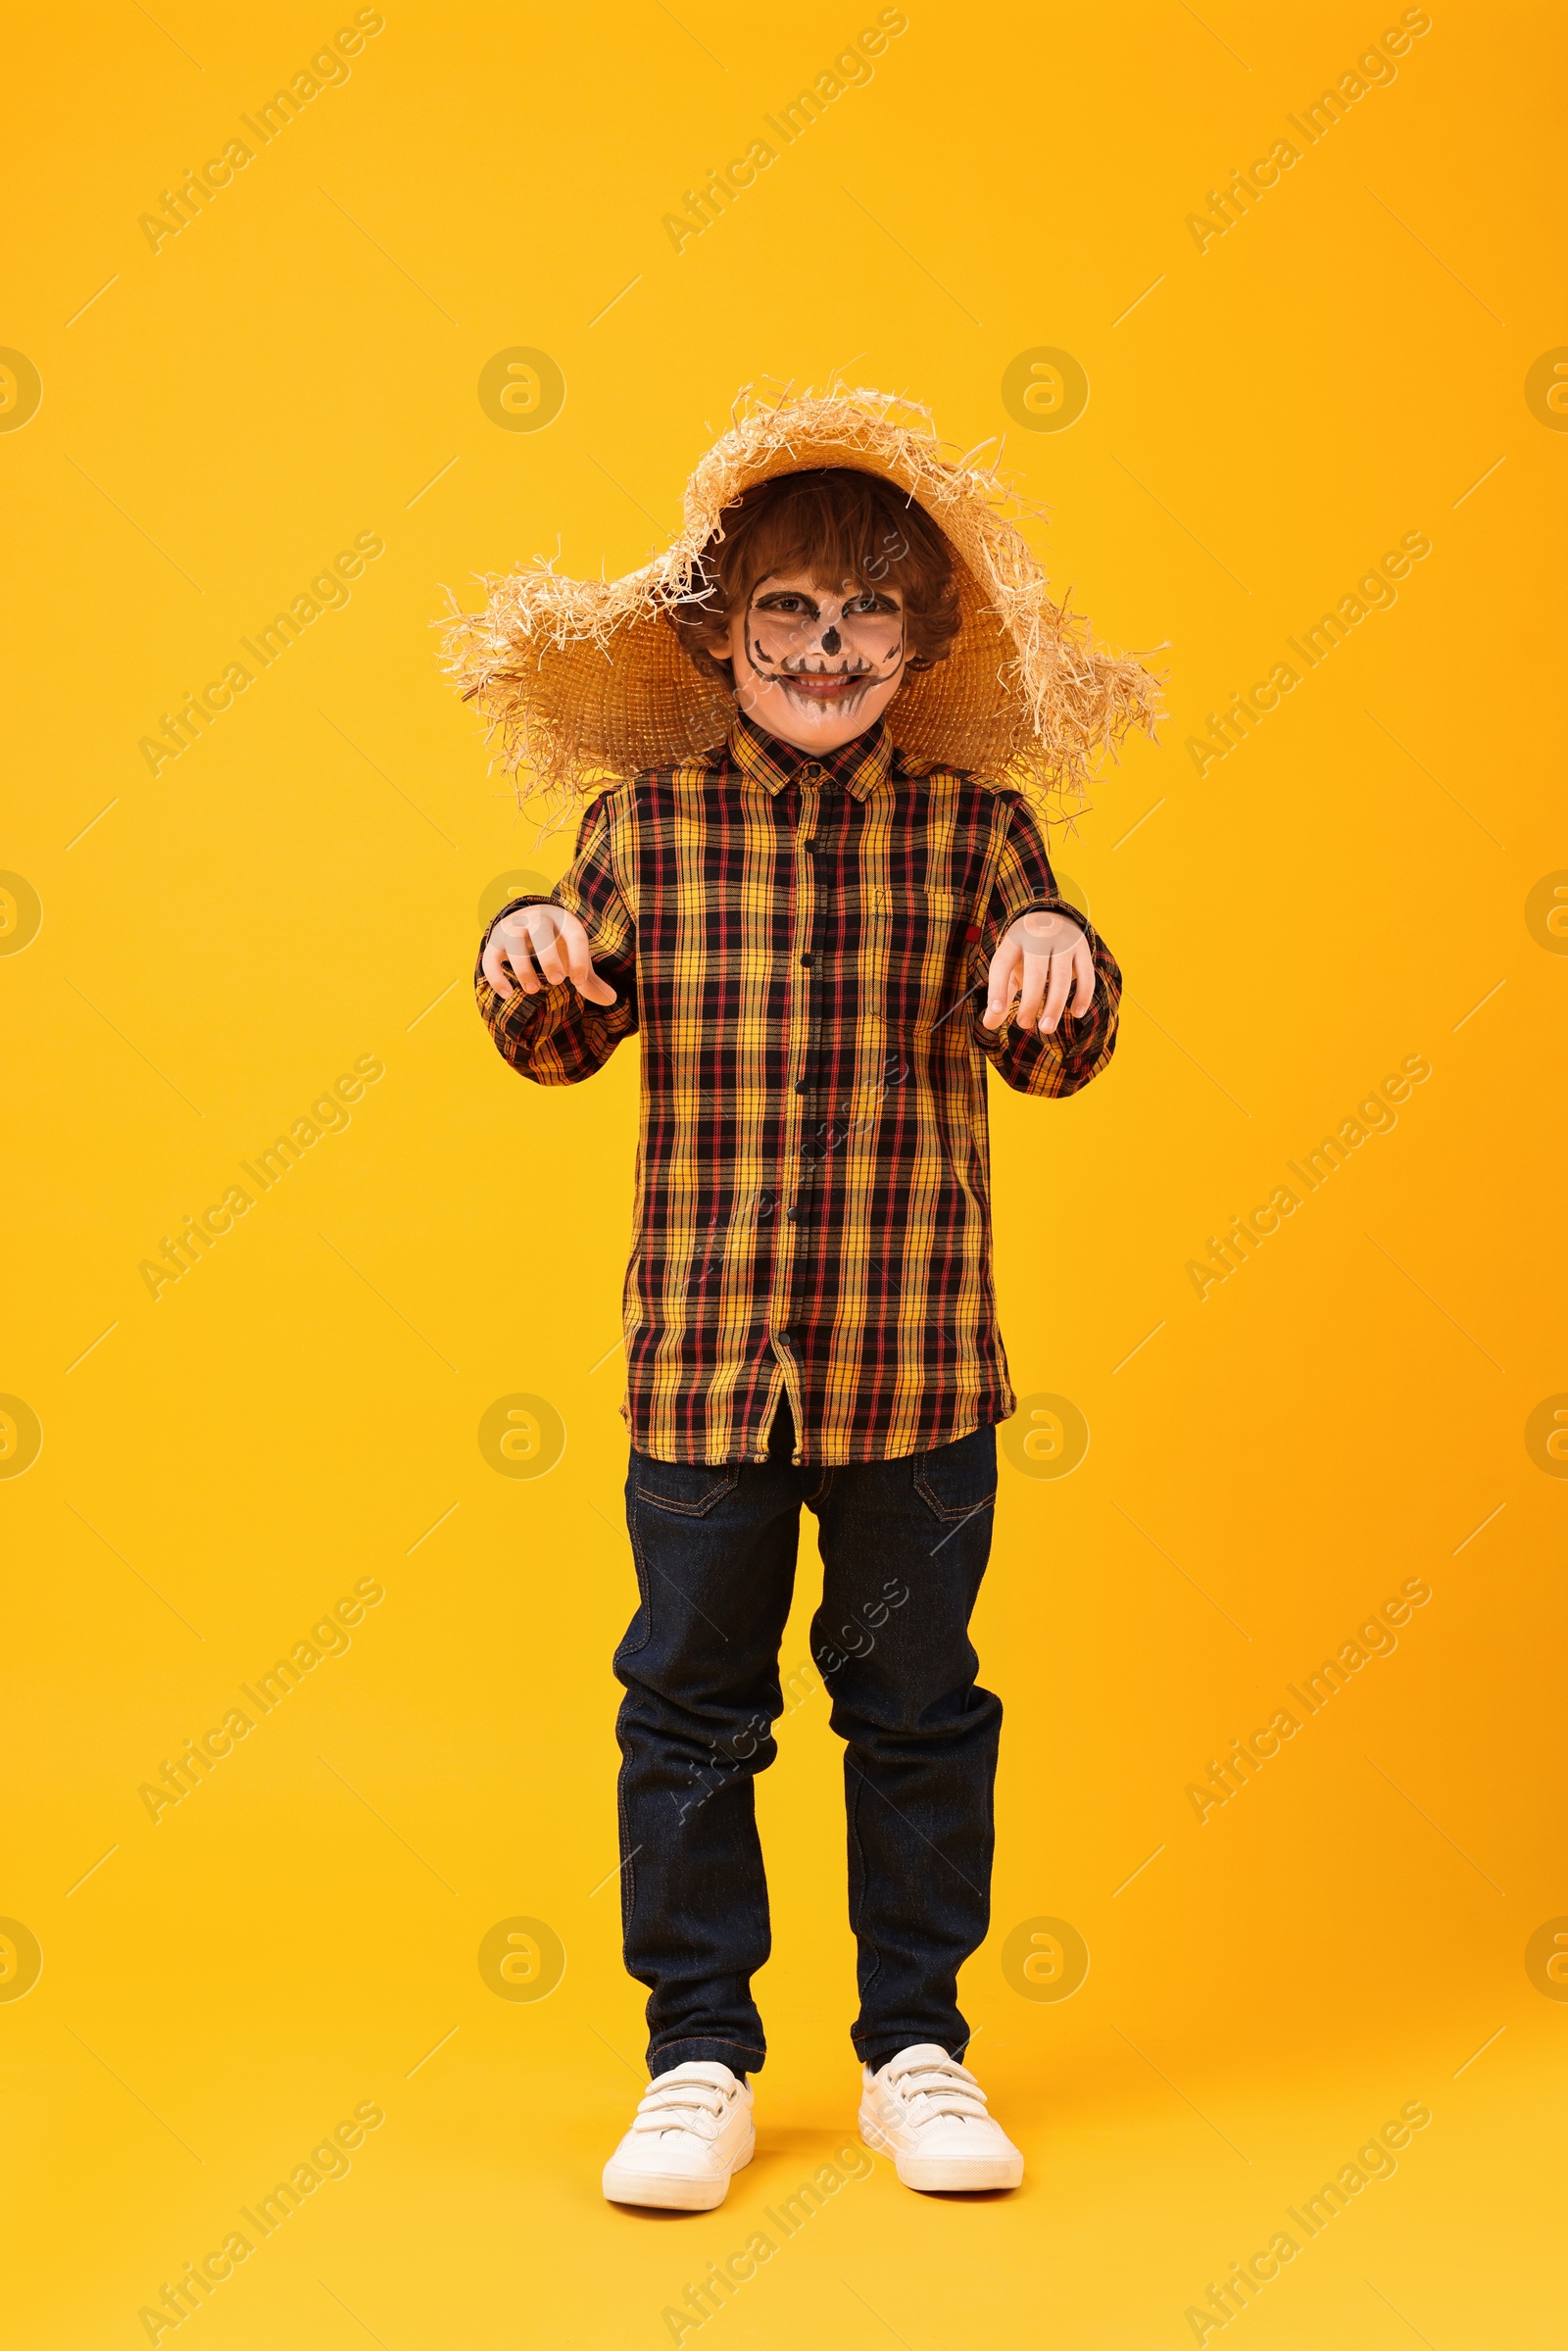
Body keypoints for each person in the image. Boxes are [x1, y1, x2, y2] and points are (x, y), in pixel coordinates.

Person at [448, 390, 1156, 2209]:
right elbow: (562, 1037)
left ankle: (917, 2045)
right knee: (688, 1702)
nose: (825, 651)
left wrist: (1062, 952)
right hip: (702, 1375)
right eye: (788, 615)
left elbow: (1058, 1044)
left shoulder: (979, 832)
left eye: (863, 620)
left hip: (916, 1373)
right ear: (717, 632)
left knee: (916, 1704)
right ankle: (695, 2057)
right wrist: (524, 953)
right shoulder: (643, 829)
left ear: (915, 648)